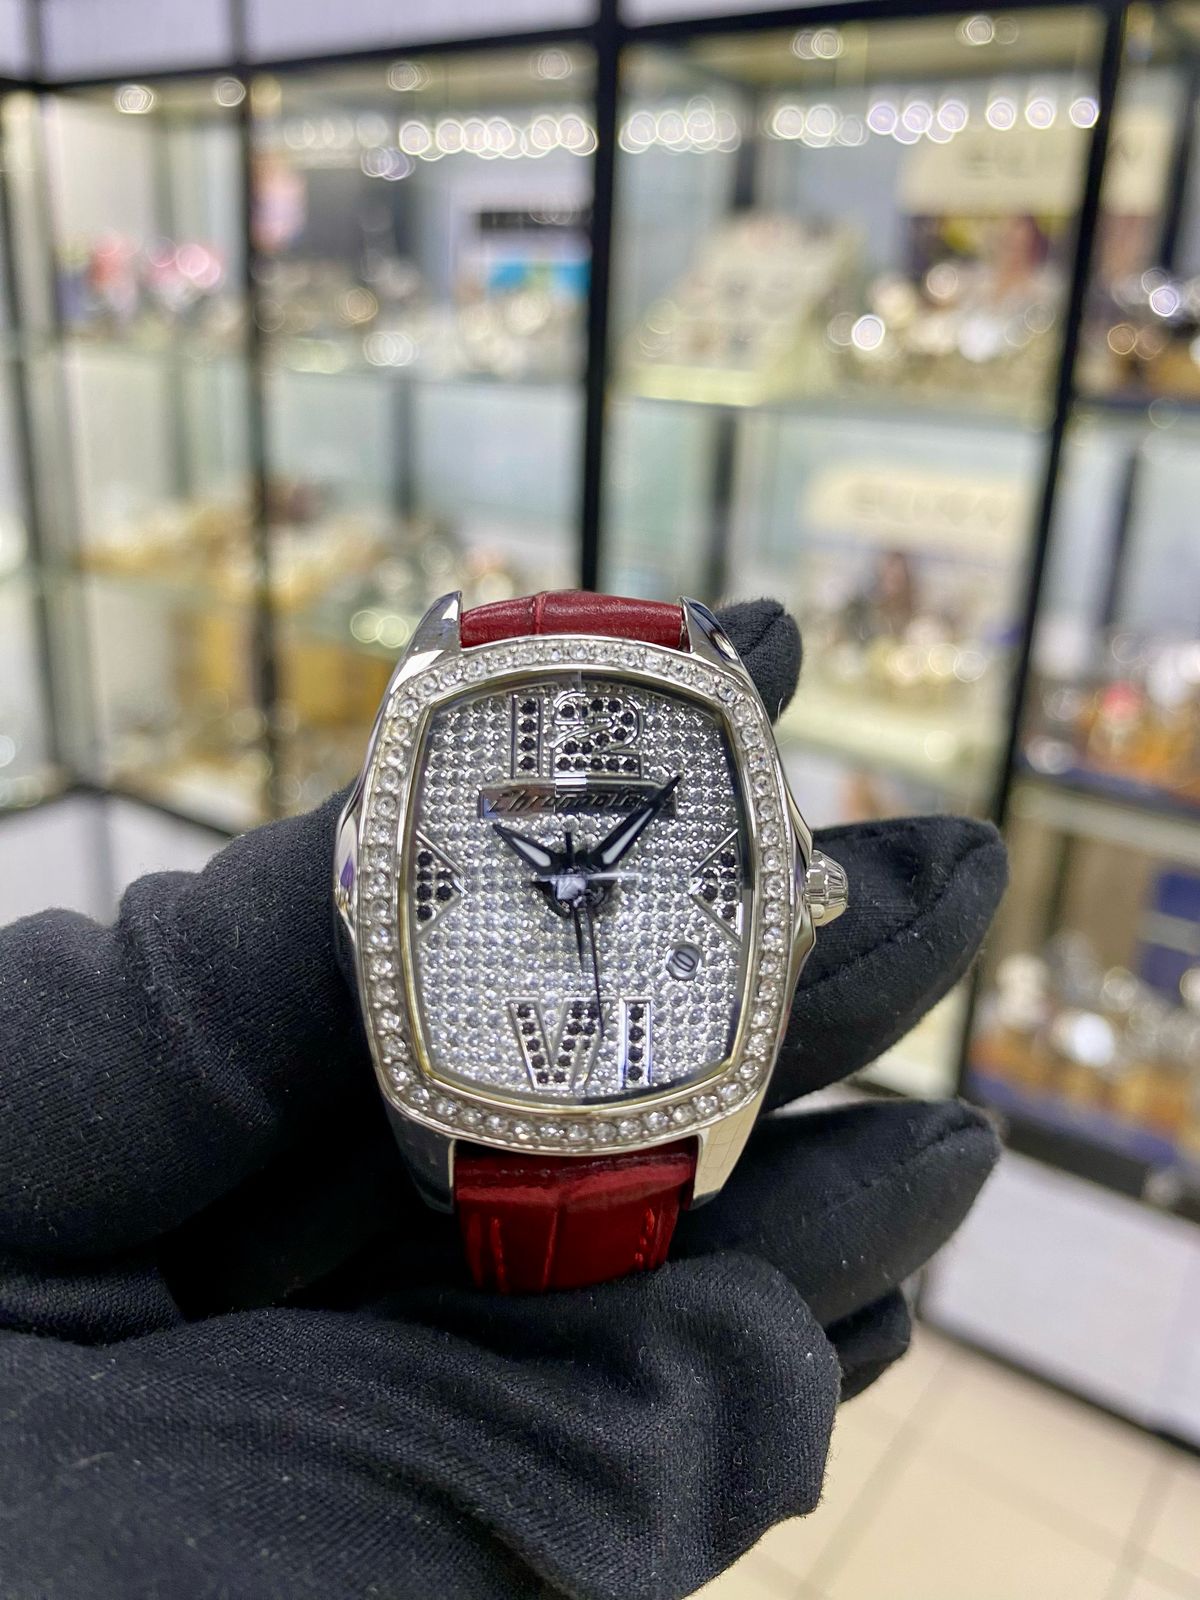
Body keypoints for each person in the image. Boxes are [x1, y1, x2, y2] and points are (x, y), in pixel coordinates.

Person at [0, 601, 1005, 1599]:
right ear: (354, 885)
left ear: (800, 893)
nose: (574, 885)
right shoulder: (429, 769)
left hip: (654, 1110)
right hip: (465, 1117)